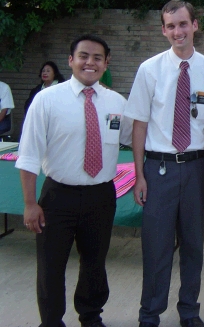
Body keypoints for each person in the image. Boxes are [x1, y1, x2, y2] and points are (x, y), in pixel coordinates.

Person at [15, 34, 133, 327]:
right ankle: (52, 321)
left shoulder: (117, 103)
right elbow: (28, 154)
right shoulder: (47, 100)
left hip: (101, 196)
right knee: (51, 266)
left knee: (95, 263)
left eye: (97, 58)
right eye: (83, 56)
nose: (89, 62)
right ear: (71, 60)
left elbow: (137, 139)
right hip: (58, 197)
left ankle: (91, 316)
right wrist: (30, 203)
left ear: (106, 64)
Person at [124, 0, 204, 327]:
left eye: (183, 24)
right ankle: (149, 315)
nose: (177, 31)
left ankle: (189, 312)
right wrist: (139, 175)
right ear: (164, 30)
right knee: (156, 247)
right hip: (159, 170)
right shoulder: (149, 69)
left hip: (197, 168)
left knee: (194, 247)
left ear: (195, 25)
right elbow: (139, 124)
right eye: (170, 26)